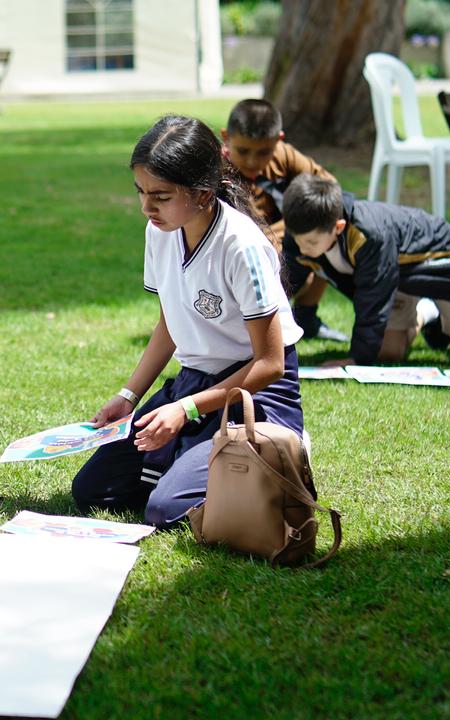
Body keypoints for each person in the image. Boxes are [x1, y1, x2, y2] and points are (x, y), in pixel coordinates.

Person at [72, 115, 304, 527]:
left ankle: (281, 447)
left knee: (165, 509)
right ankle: (189, 456)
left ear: (201, 194)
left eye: (160, 195)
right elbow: (169, 325)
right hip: (193, 385)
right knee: (92, 491)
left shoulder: (241, 246)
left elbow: (271, 364)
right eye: (141, 191)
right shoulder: (158, 231)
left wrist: (185, 409)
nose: (147, 207)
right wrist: (128, 396)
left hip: (254, 397)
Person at [282, 174, 450, 367]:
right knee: (389, 354)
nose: (302, 249)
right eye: (298, 240)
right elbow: (286, 285)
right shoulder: (300, 231)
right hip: (392, 277)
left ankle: (441, 309)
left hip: (438, 261)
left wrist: (357, 359)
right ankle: (427, 313)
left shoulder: (370, 235)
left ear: (338, 227)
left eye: (310, 242)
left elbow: (372, 299)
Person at [221, 99, 349, 344]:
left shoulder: (284, 155)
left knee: (325, 236)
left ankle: (306, 317)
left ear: (278, 140)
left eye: (263, 152)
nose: (252, 161)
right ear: (226, 137)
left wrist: (291, 225)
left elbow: (330, 188)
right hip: (239, 260)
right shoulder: (217, 170)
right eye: (243, 151)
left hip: (283, 247)